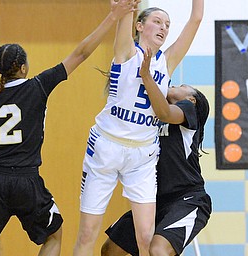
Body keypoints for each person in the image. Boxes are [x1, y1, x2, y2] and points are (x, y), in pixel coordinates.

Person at [0, 1, 137, 255]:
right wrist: (112, 17)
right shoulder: (37, 87)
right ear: (23, 68)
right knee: (54, 234)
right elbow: (80, 54)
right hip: (26, 181)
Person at [73, 1, 204, 255]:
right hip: (106, 149)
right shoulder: (126, 51)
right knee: (88, 232)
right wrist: (125, 9)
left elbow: (196, 19)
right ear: (139, 26)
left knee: (145, 237)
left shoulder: (167, 62)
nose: (163, 27)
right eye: (157, 21)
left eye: (167, 24)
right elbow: (127, 8)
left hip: (142, 156)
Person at [100, 48, 212, 256]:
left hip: (187, 198)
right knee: (110, 250)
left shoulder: (190, 110)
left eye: (181, 86)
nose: (175, 86)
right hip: (152, 199)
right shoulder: (152, 115)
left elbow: (165, 111)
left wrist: (146, 76)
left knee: (159, 250)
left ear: (192, 99)